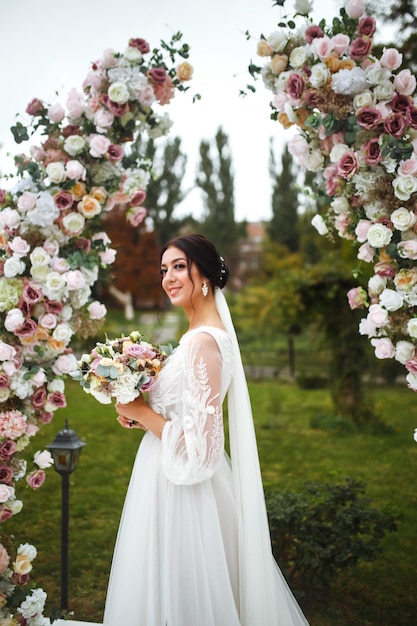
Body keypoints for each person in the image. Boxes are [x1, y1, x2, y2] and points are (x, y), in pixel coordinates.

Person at [103, 234, 309, 626]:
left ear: (205, 276)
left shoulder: (204, 344)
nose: (168, 277)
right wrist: (141, 411)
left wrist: (144, 413)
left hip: (184, 496)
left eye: (179, 266)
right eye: (164, 269)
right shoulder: (199, 337)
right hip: (164, 474)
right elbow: (186, 415)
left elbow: (204, 452)